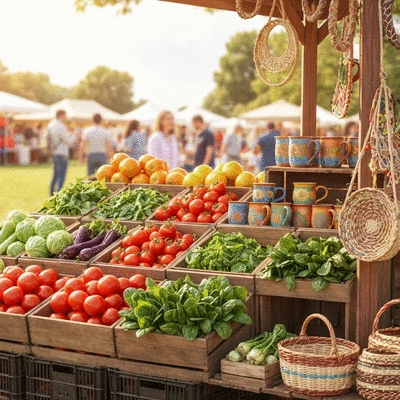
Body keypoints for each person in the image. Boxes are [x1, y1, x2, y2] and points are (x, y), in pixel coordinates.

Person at [47, 109, 75, 195]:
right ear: (61, 115)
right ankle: (58, 195)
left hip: (54, 153)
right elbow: (68, 141)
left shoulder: (50, 125)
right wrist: (75, 135)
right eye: (65, 116)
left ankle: (51, 194)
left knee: (55, 176)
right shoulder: (60, 126)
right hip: (62, 153)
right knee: (61, 177)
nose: (66, 118)